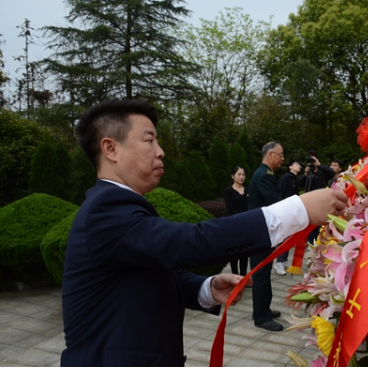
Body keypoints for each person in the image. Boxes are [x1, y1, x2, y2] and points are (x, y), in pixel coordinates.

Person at [61, 100, 348, 366]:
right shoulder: (106, 210)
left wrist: (204, 288)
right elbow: (190, 241)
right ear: (110, 149)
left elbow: (145, 275)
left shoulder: (120, 206)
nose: (160, 151)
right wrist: (297, 210)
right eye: (149, 140)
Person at [248, 142, 286, 331]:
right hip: (259, 231)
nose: (282, 159)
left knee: (264, 271)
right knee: (261, 273)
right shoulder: (264, 176)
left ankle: (264, 309)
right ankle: (261, 317)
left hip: (263, 230)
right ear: (270, 154)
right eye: (280, 155)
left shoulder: (265, 174)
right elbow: (276, 203)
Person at [273, 160, 302, 275]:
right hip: (285, 211)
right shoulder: (286, 178)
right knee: (283, 237)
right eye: (296, 164)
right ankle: (278, 262)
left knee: (289, 237)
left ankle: (284, 260)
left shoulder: (293, 179)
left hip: (292, 211)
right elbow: (280, 194)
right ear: (290, 167)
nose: (299, 165)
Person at [224, 166, 250, 276]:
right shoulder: (229, 191)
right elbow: (230, 208)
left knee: (245, 252)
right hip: (234, 225)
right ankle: (234, 276)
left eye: (243, 174)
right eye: (239, 174)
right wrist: (241, 219)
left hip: (246, 225)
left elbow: (250, 206)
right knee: (234, 252)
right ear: (233, 176)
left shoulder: (248, 190)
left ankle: (243, 276)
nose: (241, 177)